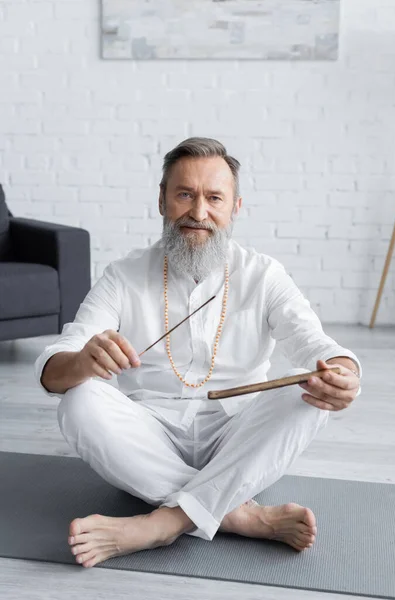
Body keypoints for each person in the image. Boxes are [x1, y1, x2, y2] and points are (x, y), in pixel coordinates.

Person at [35, 137, 362, 569]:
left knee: (309, 395)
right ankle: (239, 515)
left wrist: (343, 373)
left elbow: (320, 347)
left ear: (235, 208)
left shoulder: (264, 275)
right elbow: (57, 366)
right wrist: (81, 362)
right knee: (79, 400)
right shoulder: (123, 275)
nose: (198, 212)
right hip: (149, 436)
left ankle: (161, 524)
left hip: (237, 436)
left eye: (214, 198)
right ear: (161, 200)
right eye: (185, 194)